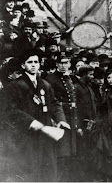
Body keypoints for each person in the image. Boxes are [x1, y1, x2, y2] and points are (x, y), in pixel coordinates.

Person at [6, 49, 68, 181]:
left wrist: (60, 119)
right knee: (30, 169)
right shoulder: (15, 86)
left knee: (49, 168)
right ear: (23, 66)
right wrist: (30, 122)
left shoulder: (45, 84)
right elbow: (11, 110)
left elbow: (55, 104)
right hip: (26, 135)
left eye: (36, 62)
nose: (33, 65)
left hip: (46, 134)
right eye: (30, 62)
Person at [44, 55, 80, 181]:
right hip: (60, 115)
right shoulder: (50, 79)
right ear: (57, 64)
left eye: (66, 63)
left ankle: (69, 178)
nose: (64, 65)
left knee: (71, 148)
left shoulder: (70, 78)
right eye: (61, 63)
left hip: (71, 115)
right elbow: (51, 101)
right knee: (62, 148)